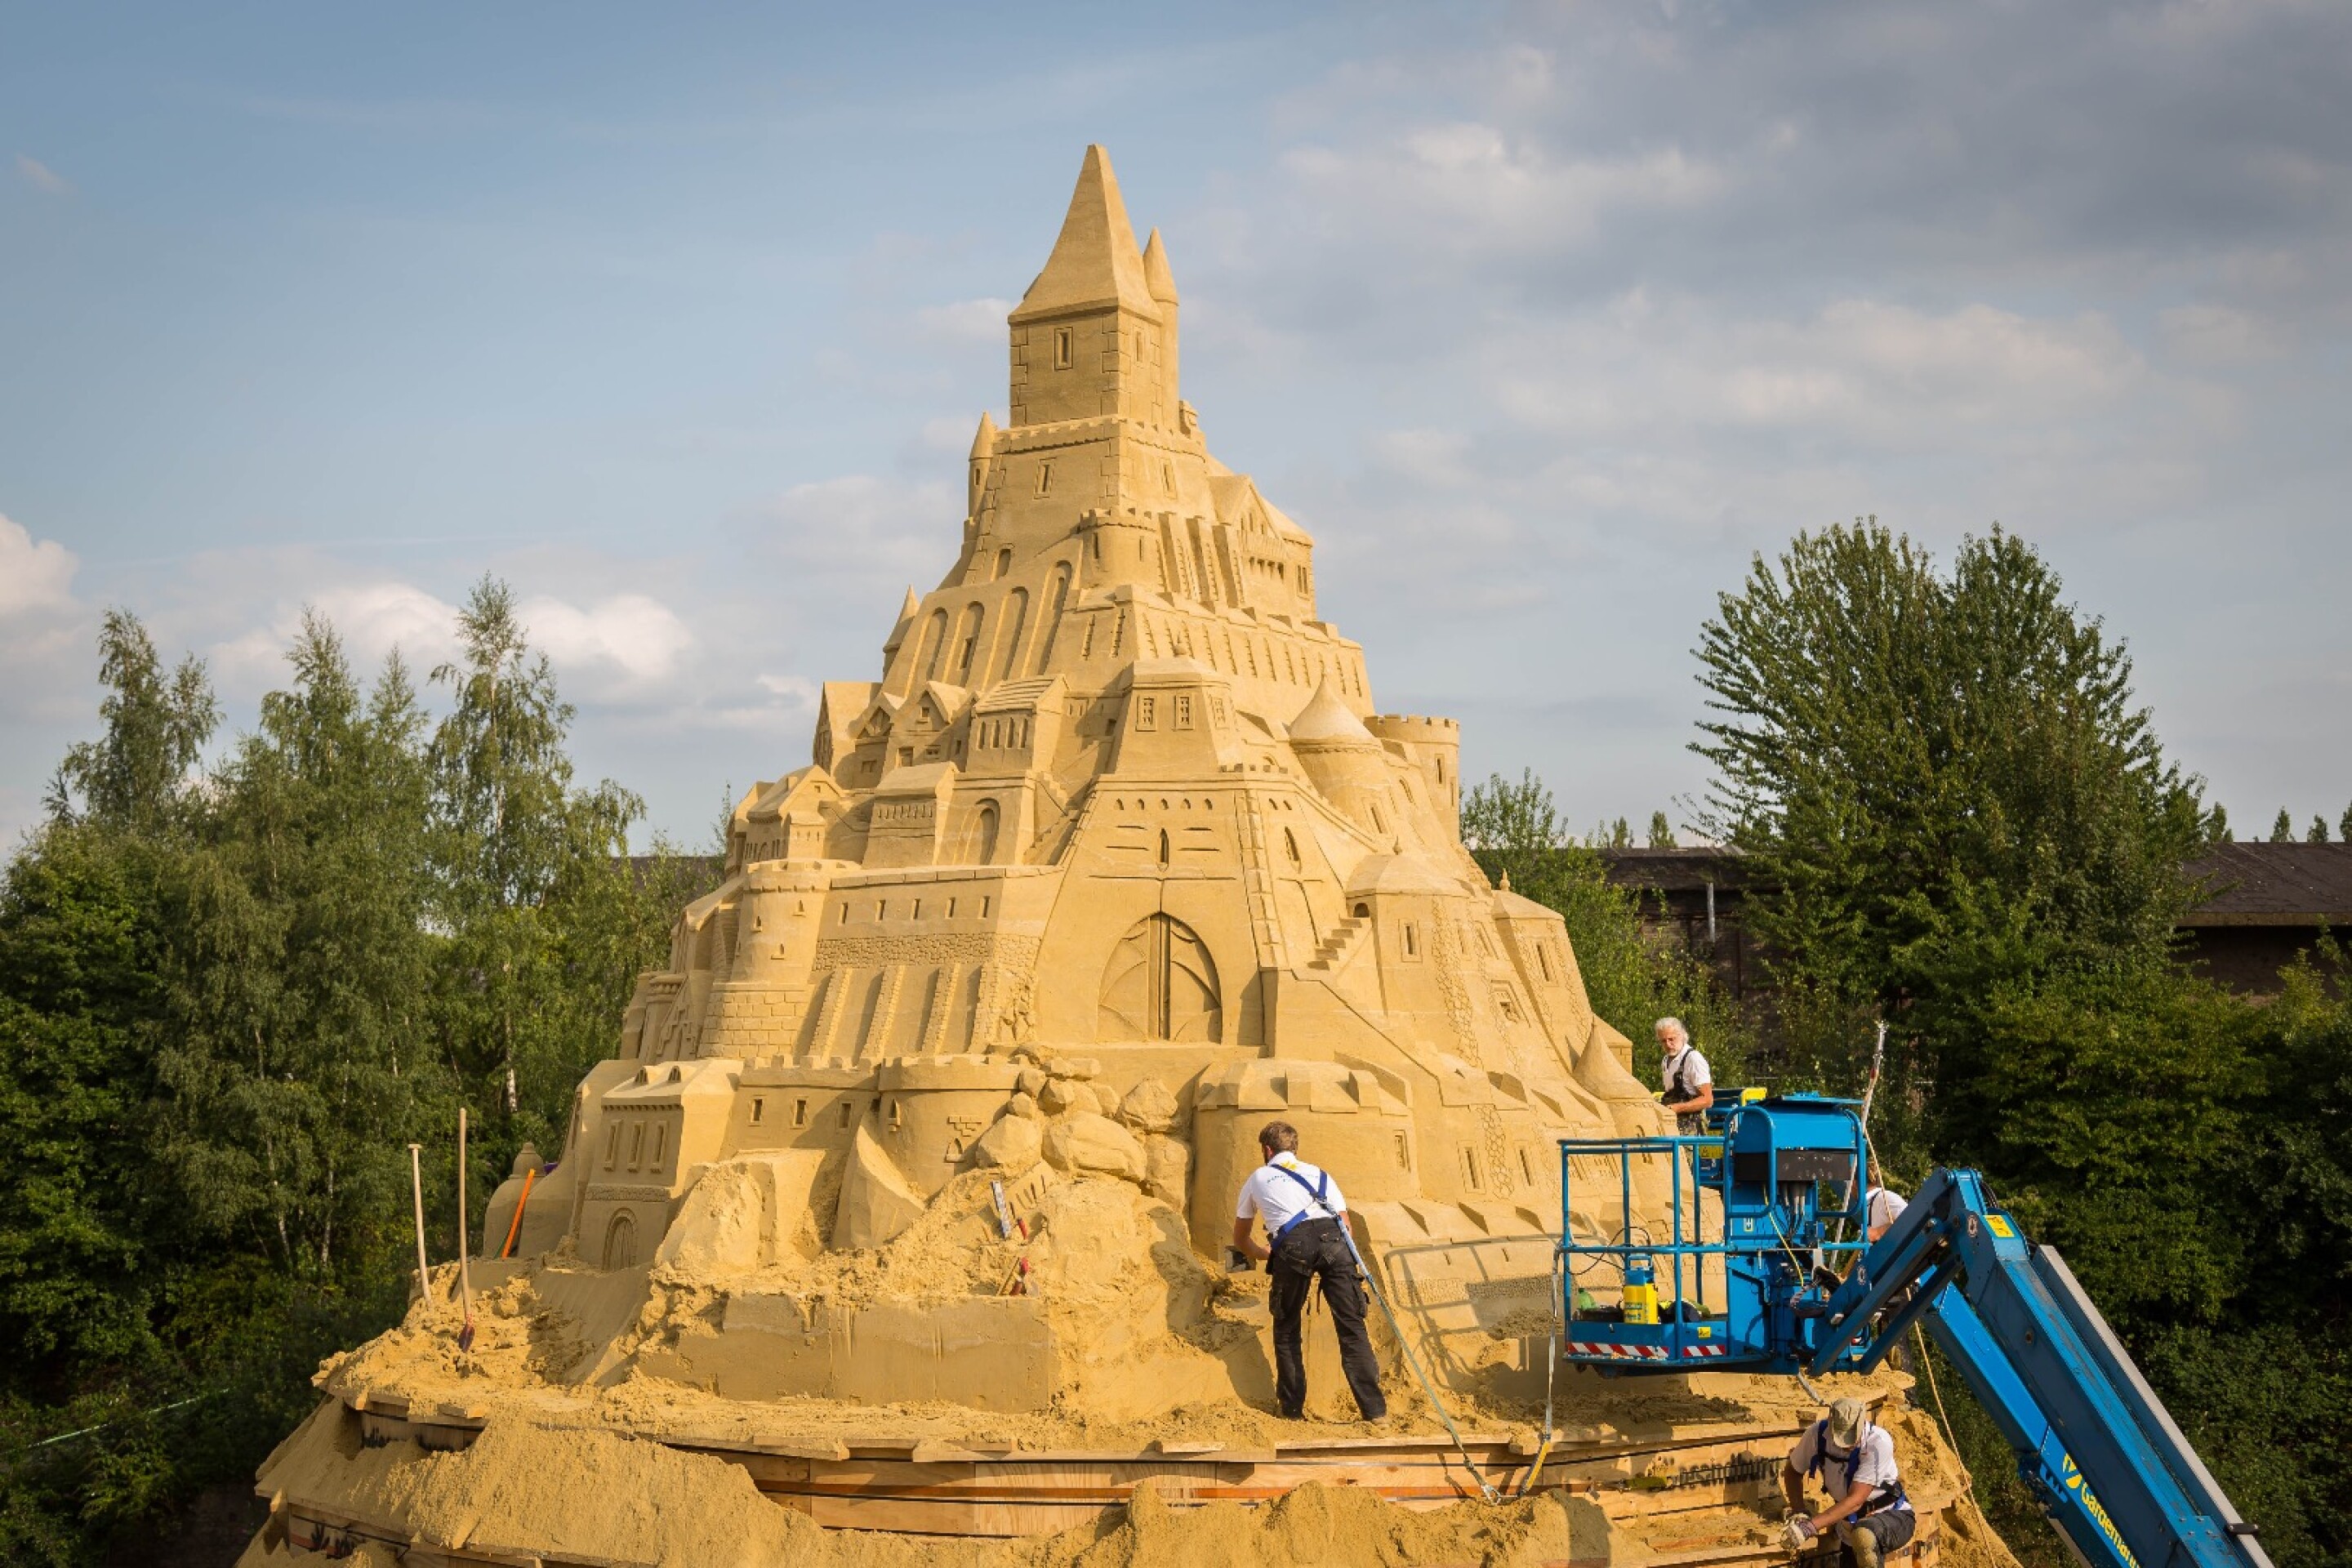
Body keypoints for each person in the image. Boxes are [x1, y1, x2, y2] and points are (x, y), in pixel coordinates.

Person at [1231, 1120, 1388, 1423]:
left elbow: (1240, 1238)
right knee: (1352, 1328)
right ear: (1294, 1148)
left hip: (1294, 1243)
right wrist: (1334, 1259)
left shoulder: (1258, 1177)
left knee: (1287, 1328)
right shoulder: (1320, 1174)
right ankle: (1376, 1412)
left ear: (1266, 1150)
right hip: (1336, 1239)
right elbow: (1346, 1224)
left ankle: (1292, 1411)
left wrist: (1264, 1254)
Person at [1781, 1397, 1914, 1568]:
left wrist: (1810, 1527)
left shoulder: (1878, 1442)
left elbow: (1856, 1500)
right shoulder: (1816, 1435)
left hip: (1892, 1516)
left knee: (1865, 1535)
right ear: (1830, 1424)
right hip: (1849, 1527)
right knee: (1858, 1537)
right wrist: (1799, 1510)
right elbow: (1793, 1471)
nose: (1847, 1444)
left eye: (1852, 1436)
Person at [1656, 1017, 1713, 1134]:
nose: (1668, 1044)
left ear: (1682, 1036)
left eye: (1671, 1039)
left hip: (1691, 1127)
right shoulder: (1665, 1060)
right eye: (1663, 1041)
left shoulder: (1693, 1059)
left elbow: (1707, 1099)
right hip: (1672, 1124)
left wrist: (1678, 1108)